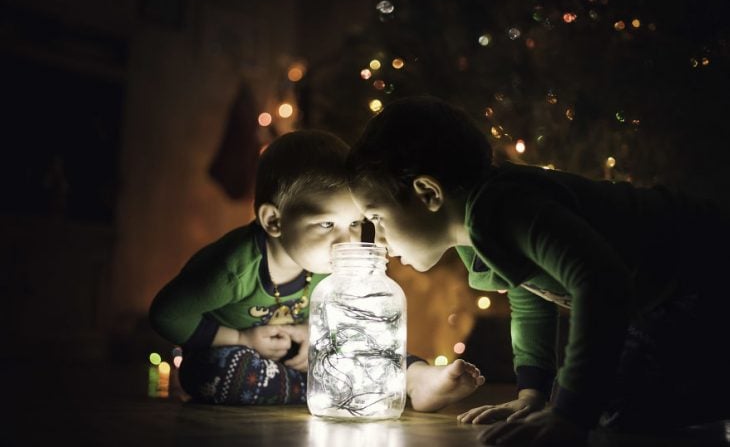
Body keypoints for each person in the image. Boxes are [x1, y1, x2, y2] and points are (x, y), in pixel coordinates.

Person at [345, 95, 730, 445]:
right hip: (657, 298)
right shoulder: (477, 233)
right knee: (598, 395)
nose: (377, 238)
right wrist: (533, 393)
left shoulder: (509, 206)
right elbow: (527, 295)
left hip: (704, 273)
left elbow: (601, 281)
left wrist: (569, 416)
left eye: (377, 217)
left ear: (428, 193)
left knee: (612, 405)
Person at [149, 129, 485, 409]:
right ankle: (329, 390)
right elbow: (167, 314)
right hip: (233, 356)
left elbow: (343, 327)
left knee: (363, 341)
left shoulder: (328, 264)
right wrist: (241, 338)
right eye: (326, 224)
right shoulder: (233, 268)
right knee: (222, 372)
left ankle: (416, 379)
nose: (345, 239)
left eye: (355, 223)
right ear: (274, 221)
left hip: (305, 359)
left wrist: (314, 333)